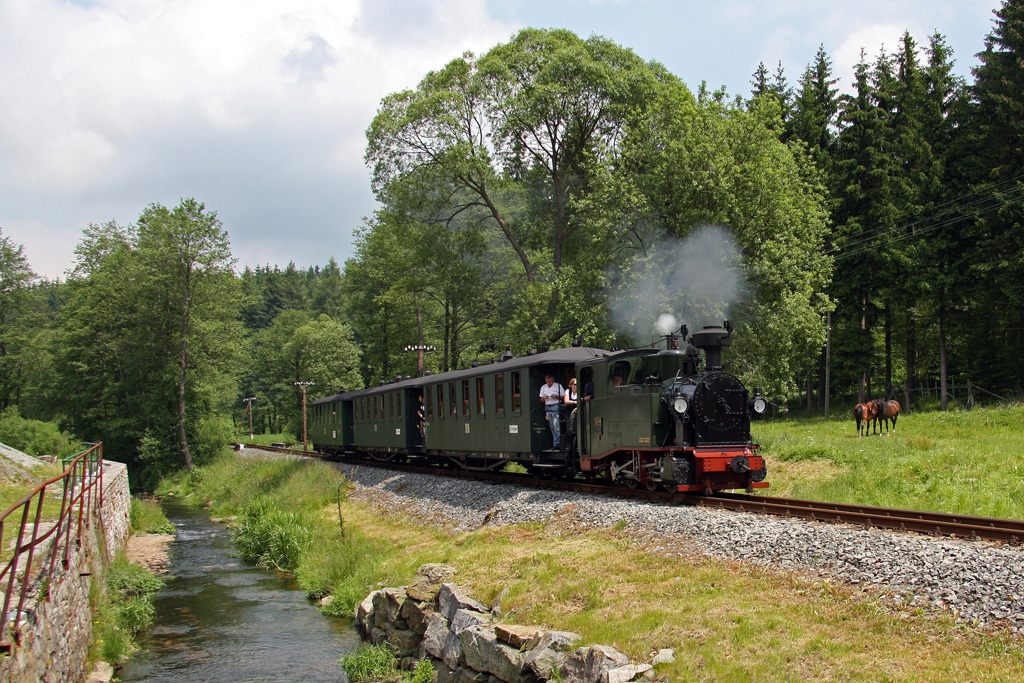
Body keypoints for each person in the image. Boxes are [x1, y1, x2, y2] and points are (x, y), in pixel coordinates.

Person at [539, 373, 564, 449]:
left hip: (555, 406)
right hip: (547, 407)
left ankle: (557, 444)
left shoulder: (558, 386)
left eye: (550, 382)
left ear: (553, 379)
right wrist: (544, 397)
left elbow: (563, 397)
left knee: (556, 426)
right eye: (548, 382)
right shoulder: (543, 387)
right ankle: (555, 443)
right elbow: (541, 400)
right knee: (551, 426)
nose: (549, 384)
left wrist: (556, 396)